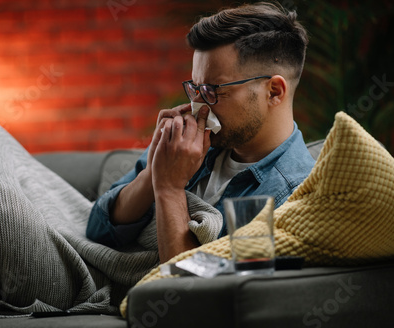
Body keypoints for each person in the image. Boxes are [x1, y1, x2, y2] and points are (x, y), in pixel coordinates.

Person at [87, 2, 316, 263]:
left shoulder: (293, 197)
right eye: (195, 88)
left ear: (274, 91)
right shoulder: (185, 145)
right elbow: (98, 228)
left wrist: (169, 189)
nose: (198, 105)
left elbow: (194, 293)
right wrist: (153, 173)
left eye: (212, 90)